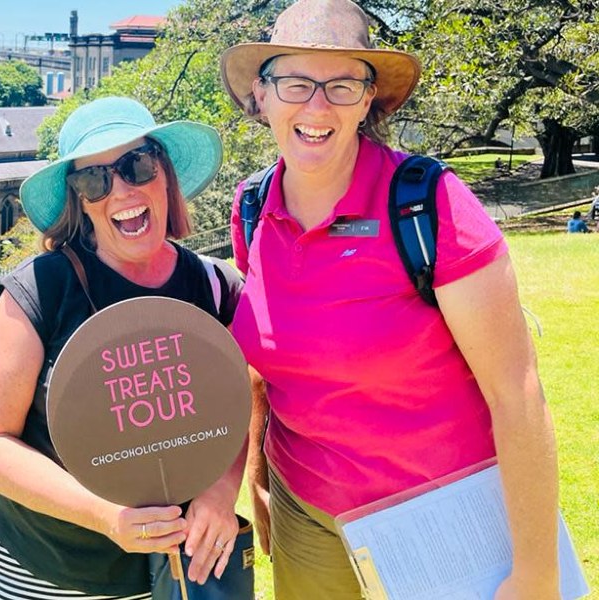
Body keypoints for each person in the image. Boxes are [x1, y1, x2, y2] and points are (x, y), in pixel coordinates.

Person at [219, 0, 560, 598]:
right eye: (295, 82)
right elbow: (263, 360)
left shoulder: (428, 206)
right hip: (309, 520)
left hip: (439, 515)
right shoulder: (251, 211)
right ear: (261, 94)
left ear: (370, 97)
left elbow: (517, 392)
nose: (316, 106)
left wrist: (535, 572)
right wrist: (258, 476)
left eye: (342, 84)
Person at [0, 96, 247, 599]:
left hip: (175, 575)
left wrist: (221, 490)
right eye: (94, 180)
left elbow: (239, 402)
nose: (121, 190)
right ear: (79, 201)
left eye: (137, 165)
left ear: (165, 174)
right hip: (48, 571)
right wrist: (105, 515)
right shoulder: (39, 291)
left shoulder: (215, 286)